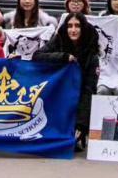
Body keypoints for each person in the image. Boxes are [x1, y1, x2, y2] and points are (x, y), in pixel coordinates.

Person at [36, 12, 101, 151]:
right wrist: (64, 57)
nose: (73, 30)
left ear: (83, 28)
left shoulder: (92, 55)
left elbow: (88, 90)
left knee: (70, 145)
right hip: (56, 95)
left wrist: (81, 124)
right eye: (70, 26)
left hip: (77, 101)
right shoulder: (59, 38)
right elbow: (37, 56)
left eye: (77, 26)